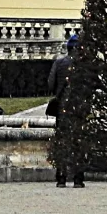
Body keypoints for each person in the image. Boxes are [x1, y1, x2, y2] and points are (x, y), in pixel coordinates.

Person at [46, 38, 84, 187]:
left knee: (62, 141)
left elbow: (51, 84)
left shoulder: (59, 63)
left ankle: (61, 177)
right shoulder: (83, 65)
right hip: (79, 106)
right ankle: (78, 178)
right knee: (78, 141)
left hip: (63, 106)